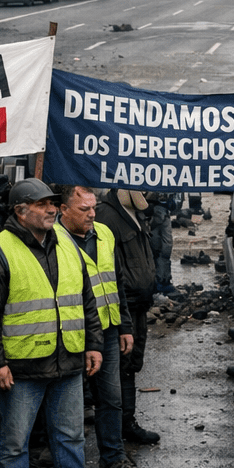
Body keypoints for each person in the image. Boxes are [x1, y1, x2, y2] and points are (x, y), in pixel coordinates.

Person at [0, 177, 108, 468]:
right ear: (20, 211)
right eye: (42, 204)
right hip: (21, 368)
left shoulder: (64, 243)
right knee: (13, 442)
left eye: (53, 203)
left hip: (67, 361)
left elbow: (86, 299)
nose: (51, 209)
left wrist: (93, 344)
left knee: (70, 435)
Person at [58, 185, 146, 468]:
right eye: (84, 210)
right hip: (70, 333)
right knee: (63, 408)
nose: (92, 214)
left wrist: (124, 326)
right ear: (64, 209)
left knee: (111, 398)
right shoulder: (53, 241)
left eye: (93, 208)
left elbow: (116, 283)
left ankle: (113, 458)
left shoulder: (104, 234)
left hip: (107, 331)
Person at [94, 188, 160, 444]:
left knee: (131, 364)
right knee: (119, 367)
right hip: (123, 305)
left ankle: (126, 422)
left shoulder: (134, 213)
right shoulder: (107, 217)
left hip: (138, 304)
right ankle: (120, 426)